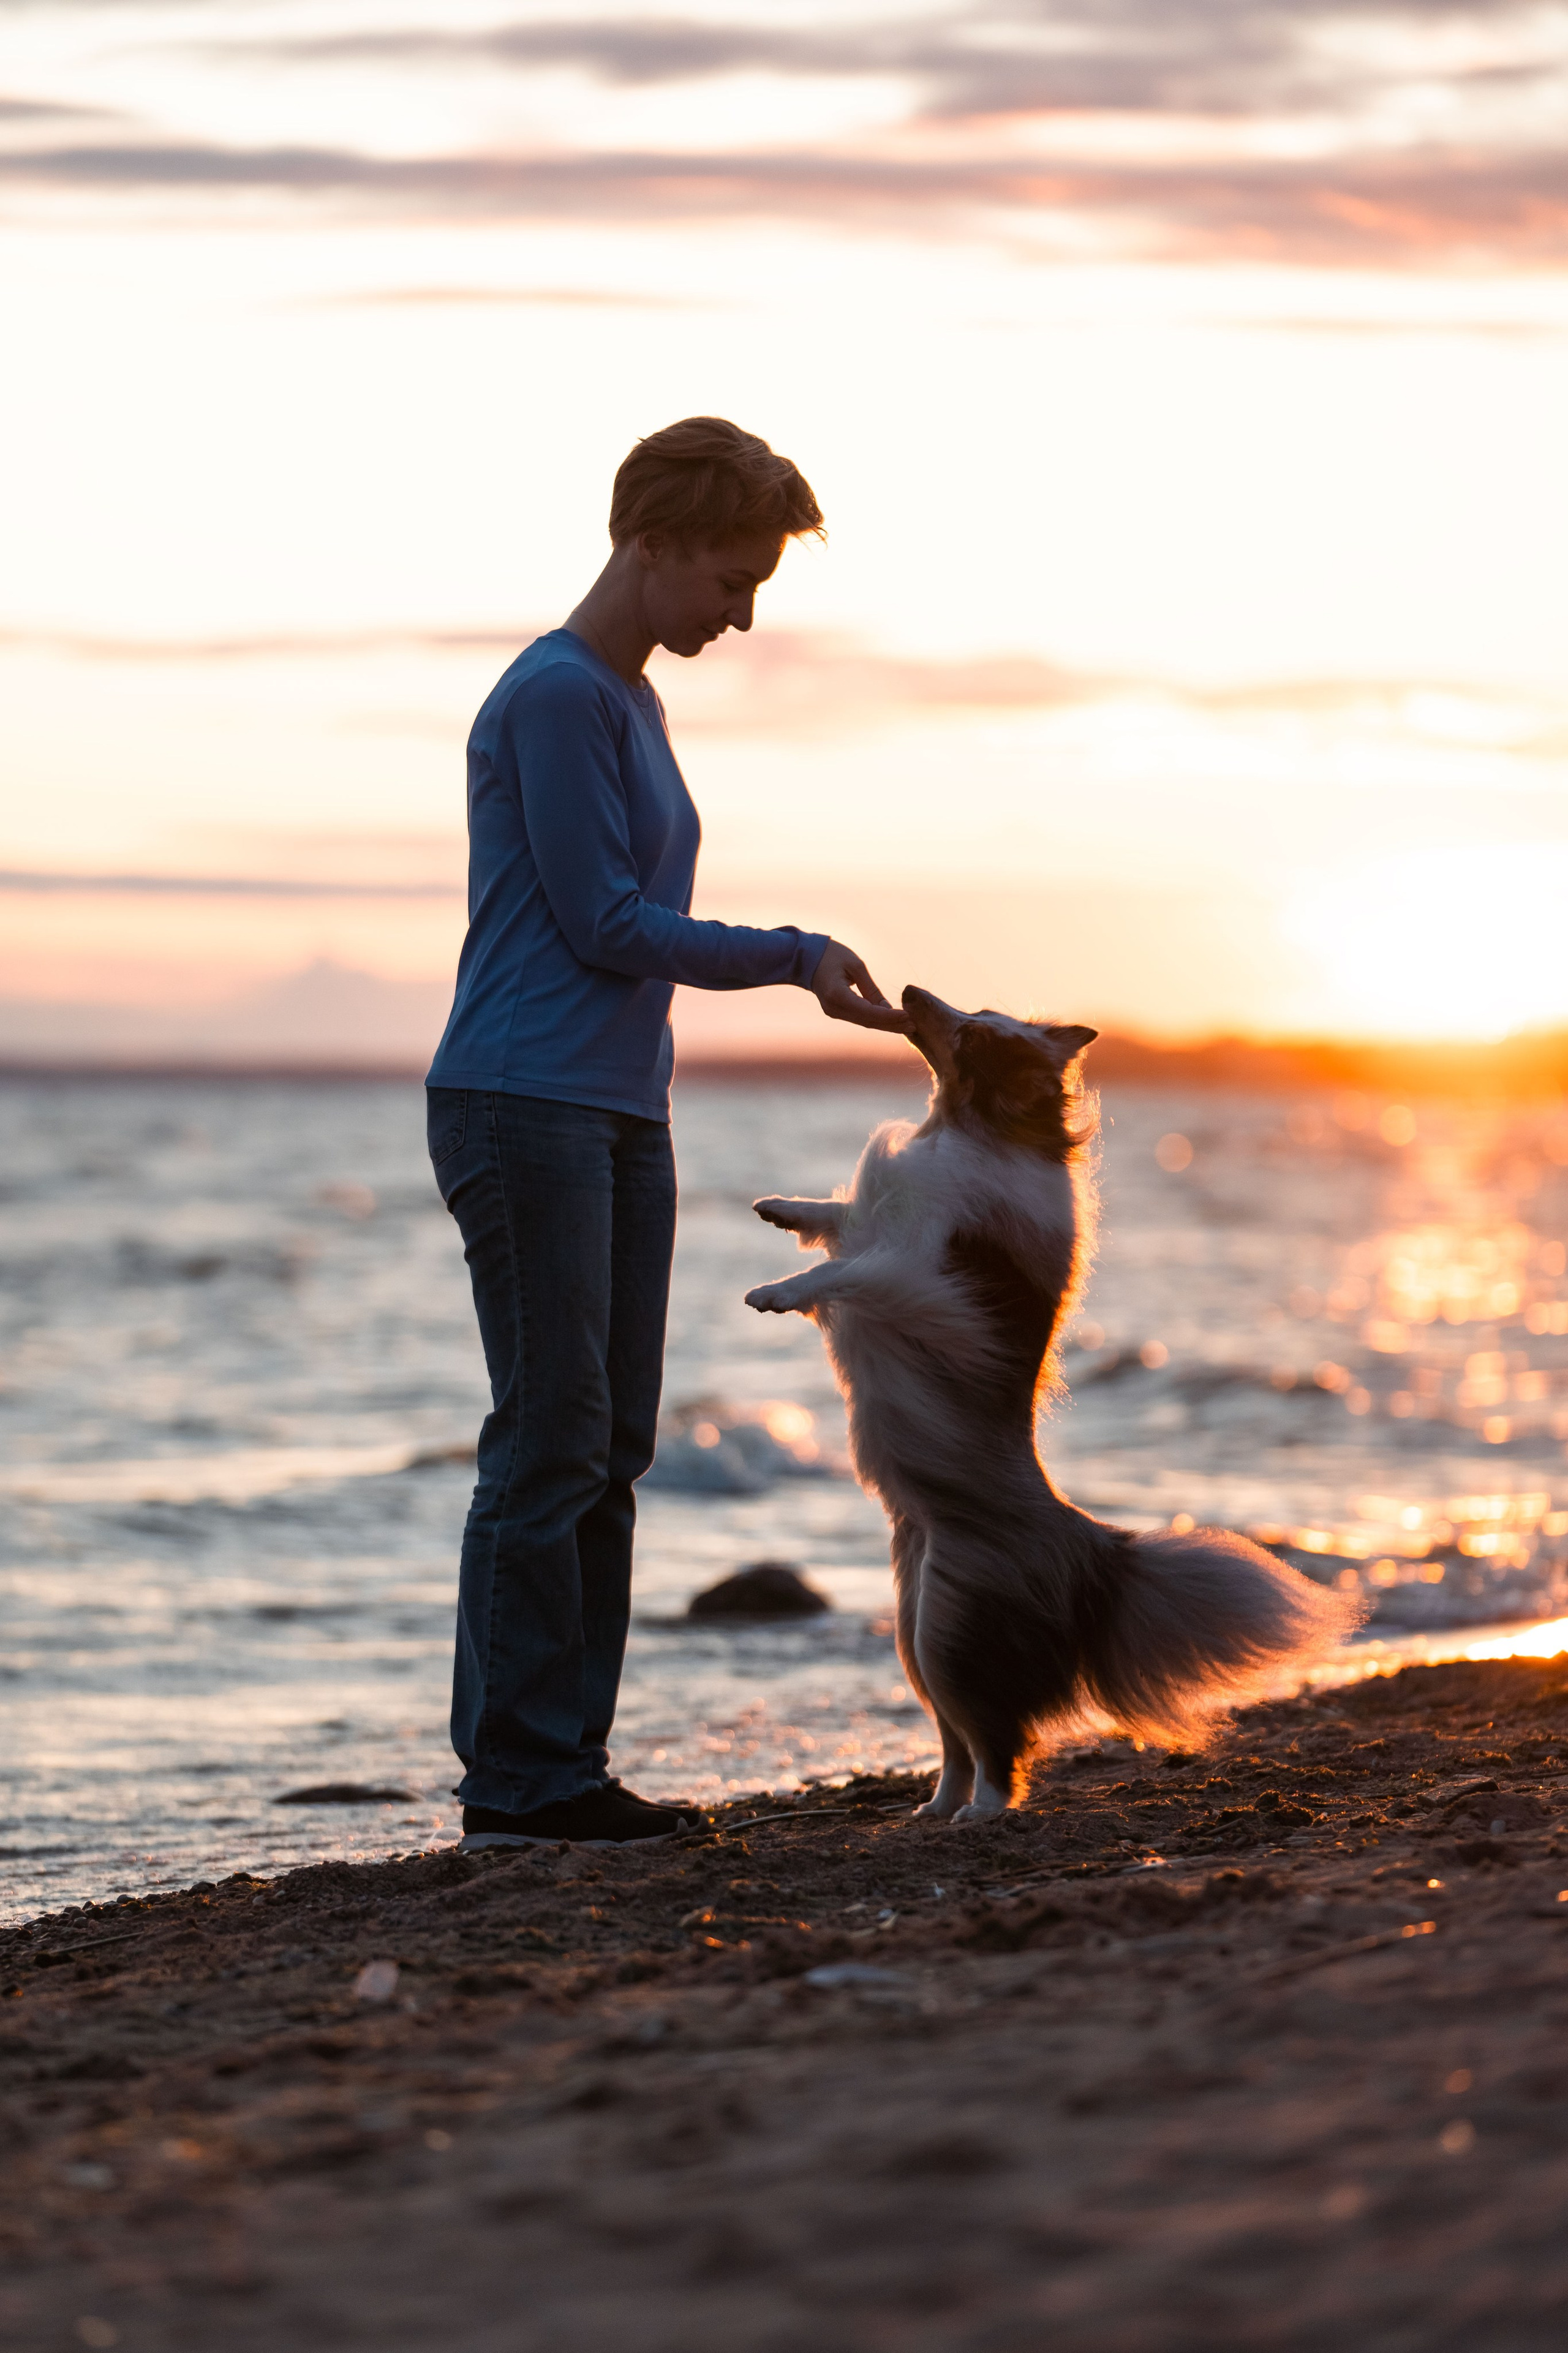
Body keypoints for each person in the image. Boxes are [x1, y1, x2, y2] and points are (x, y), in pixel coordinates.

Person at [425, 416, 907, 1847]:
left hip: (620, 1107)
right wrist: (792, 954)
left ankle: (563, 1767)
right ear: (649, 543)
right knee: (549, 1441)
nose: (741, 615)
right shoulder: (556, 697)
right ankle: (516, 1784)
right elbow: (603, 923)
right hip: (523, 1097)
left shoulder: (631, 700)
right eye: (730, 578)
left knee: (610, 1442)